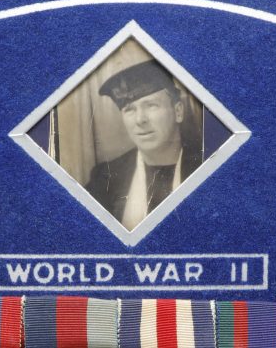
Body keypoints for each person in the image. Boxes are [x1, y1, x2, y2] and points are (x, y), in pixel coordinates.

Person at [85, 59, 202, 230]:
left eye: (151, 105)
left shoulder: (206, 165)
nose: (140, 120)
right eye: (130, 109)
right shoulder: (104, 179)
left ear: (178, 111)